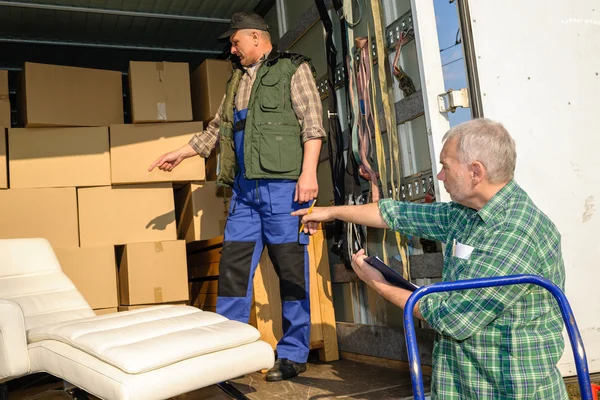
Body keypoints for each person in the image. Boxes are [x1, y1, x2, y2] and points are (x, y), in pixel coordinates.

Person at [293, 118, 568, 399]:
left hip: (504, 391)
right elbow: (398, 215)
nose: (439, 175)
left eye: (446, 166)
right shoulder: (468, 213)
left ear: (476, 171)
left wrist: (377, 282)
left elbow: (453, 318)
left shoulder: (514, 234)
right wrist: (331, 212)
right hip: (463, 386)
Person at [149, 12, 325, 381]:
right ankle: (227, 354)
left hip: (283, 189)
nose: (232, 49)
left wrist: (309, 174)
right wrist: (179, 153)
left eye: (235, 42)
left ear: (256, 38)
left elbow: (312, 123)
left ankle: (292, 353)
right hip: (244, 193)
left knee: (291, 272)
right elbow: (215, 130)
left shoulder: (293, 69)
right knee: (233, 272)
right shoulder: (236, 81)